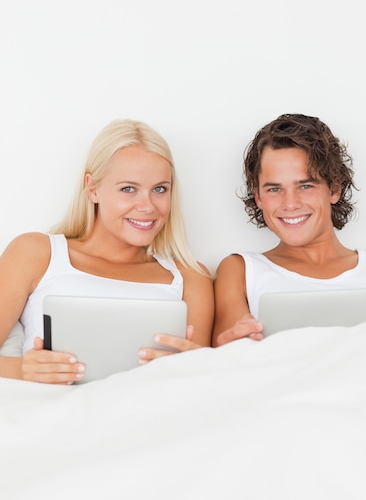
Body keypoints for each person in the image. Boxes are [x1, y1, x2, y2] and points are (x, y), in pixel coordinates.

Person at [0, 119, 214, 382]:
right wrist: (21, 369)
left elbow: (200, 382)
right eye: (128, 188)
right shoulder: (35, 253)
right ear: (93, 189)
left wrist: (189, 368)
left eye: (160, 189)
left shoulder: (191, 277)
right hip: (53, 414)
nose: (148, 206)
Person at [212, 113, 366, 346]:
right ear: (258, 196)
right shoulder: (240, 271)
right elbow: (229, 361)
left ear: (334, 189)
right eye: (274, 189)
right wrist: (233, 346)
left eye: (306, 186)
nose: (290, 204)